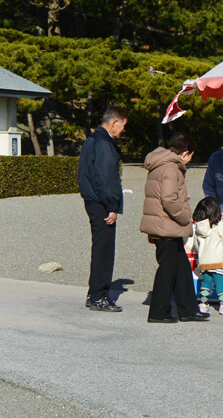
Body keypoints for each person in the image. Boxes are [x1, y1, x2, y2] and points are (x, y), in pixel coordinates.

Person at [140, 132, 209, 323]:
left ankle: (187, 309)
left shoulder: (160, 164)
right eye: (191, 156)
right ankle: (158, 312)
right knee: (168, 269)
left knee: (181, 267)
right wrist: (185, 217)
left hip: (163, 224)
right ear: (186, 153)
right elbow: (169, 199)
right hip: (167, 225)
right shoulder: (171, 168)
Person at [78, 105, 128, 312]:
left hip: (92, 201)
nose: (123, 130)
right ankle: (99, 295)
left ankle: (94, 293)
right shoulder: (104, 144)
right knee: (104, 250)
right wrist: (112, 206)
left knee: (99, 248)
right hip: (101, 203)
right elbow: (105, 178)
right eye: (123, 126)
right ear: (114, 122)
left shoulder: (92, 140)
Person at [192, 197, 223, 315]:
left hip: (204, 261)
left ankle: (203, 304)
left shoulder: (198, 227)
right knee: (220, 284)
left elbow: (196, 245)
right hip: (218, 261)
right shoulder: (220, 225)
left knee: (206, 282)